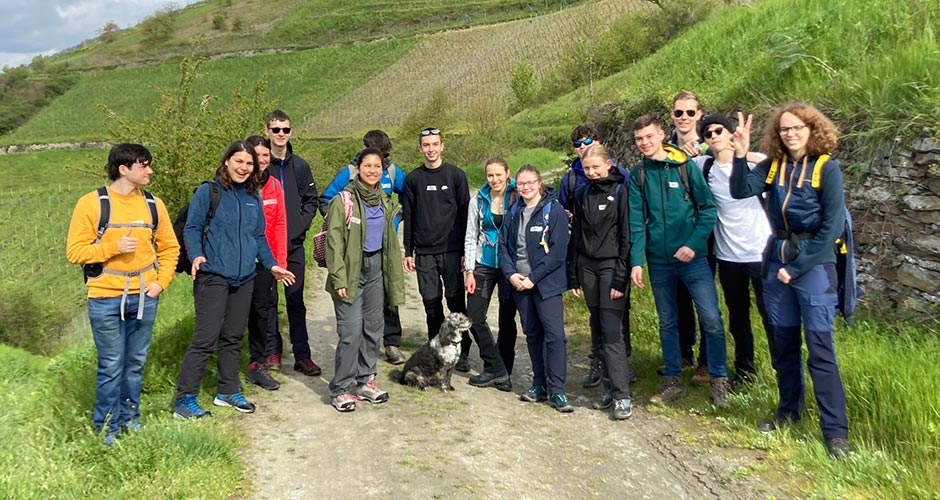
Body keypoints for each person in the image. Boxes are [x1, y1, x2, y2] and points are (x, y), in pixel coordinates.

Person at [730, 105, 851, 458]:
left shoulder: (827, 169)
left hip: (813, 265)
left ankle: (835, 433)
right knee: (783, 346)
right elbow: (742, 191)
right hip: (777, 259)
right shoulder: (773, 165)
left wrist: (797, 269)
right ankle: (787, 413)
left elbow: (833, 229)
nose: (790, 134)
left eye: (797, 128)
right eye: (784, 130)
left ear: (812, 129)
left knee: (820, 350)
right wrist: (740, 155)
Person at [66, 143, 180, 446]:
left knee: (135, 364)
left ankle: (131, 421)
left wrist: (161, 283)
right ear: (123, 168)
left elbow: (170, 247)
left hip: (144, 297)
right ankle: (107, 430)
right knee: (111, 366)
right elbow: (75, 252)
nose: (150, 170)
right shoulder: (92, 204)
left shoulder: (154, 204)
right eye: (144, 165)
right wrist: (113, 247)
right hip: (105, 298)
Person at [174, 141, 295, 420]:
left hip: (245, 277)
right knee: (206, 338)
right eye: (238, 161)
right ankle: (184, 399)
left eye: (249, 163)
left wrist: (273, 265)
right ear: (226, 161)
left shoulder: (252, 196)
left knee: (232, 337)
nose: (243, 167)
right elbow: (192, 228)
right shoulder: (209, 191)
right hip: (213, 275)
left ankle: (227, 391)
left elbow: (258, 237)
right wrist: (195, 256)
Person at [628, 114, 730, 408]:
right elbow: (637, 221)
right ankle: (672, 379)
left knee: (711, 317)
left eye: (649, 136)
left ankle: (719, 379)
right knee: (668, 322)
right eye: (639, 139)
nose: (644, 143)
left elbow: (708, 210)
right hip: (659, 262)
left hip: (693, 259)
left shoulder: (684, 167)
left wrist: (693, 244)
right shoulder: (639, 175)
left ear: (661, 135)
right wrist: (637, 261)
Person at [693, 115, 775, 389]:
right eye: (707, 134)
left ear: (731, 133)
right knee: (738, 318)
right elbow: (676, 162)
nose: (713, 135)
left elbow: (773, 164)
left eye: (719, 130)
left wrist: (742, 150)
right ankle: (745, 372)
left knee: (772, 315)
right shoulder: (704, 166)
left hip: (761, 252)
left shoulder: (756, 162)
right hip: (728, 256)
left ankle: (783, 372)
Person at [325, 148, 405, 412]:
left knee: (373, 327)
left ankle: (366, 380)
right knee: (350, 332)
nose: (372, 170)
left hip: (376, 269)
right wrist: (338, 278)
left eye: (377, 167)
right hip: (349, 271)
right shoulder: (344, 200)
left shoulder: (384, 199)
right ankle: (340, 389)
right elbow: (333, 243)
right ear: (358, 168)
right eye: (367, 166)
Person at [557, 124, 634, 389]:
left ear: (608, 164)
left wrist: (623, 273)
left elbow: (627, 234)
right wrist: (573, 274)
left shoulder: (623, 185)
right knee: (596, 317)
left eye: (596, 168)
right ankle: (601, 367)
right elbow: (574, 230)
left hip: (613, 264)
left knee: (615, 320)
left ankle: (621, 373)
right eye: (587, 168)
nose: (591, 172)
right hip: (587, 263)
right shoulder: (576, 188)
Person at [498, 166, 572, 413]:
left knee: (555, 337)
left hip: (546, 285)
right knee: (533, 335)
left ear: (539, 183)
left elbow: (558, 253)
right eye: (521, 184)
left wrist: (534, 278)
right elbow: (504, 249)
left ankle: (558, 390)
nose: (525, 188)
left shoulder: (555, 211)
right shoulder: (513, 212)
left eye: (530, 183)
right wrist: (510, 275)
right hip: (519, 284)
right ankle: (539, 384)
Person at [401, 128, 471, 366]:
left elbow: (465, 217)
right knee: (431, 304)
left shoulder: (456, 176)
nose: (431, 149)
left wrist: (465, 253)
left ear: (442, 146)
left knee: (455, 303)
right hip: (425, 252)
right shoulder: (413, 179)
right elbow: (408, 217)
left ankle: (462, 351)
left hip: (451, 251)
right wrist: (407, 251)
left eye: (435, 144)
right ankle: (437, 349)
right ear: (420, 148)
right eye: (426, 145)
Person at [264, 110, 321, 376]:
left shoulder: (300, 165)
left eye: (285, 129)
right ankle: (272, 351)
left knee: (295, 301)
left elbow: (312, 199)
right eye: (276, 130)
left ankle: (303, 355)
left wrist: (300, 224)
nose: (281, 134)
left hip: (295, 246)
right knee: (268, 302)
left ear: (291, 132)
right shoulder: (260, 165)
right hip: (266, 248)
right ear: (267, 132)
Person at [463, 157, 518, 392]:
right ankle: (495, 367)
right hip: (483, 263)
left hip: (510, 266)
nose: (494, 180)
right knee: (474, 316)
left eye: (498, 175)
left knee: (507, 320)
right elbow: (470, 235)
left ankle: (504, 370)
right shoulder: (478, 200)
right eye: (489, 175)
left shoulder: (518, 195)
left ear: (507, 173)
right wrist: (469, 271)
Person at [667, 91, 710, 384]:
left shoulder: (711, 146)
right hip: (673, 235)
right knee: (679, 298)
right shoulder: (665, 149)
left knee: (705, 302)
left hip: (705, 237)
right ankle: (684, 354)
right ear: (672, 116)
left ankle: (708, 364)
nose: (684, 118)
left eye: (690, 113)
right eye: (679, 113)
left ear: (700, 115)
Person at [243, 135, 287, 391]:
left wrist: (279, 262)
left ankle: (259, 364)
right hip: (239, 261)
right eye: (257, 155)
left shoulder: (274, 186)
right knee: (237, 316)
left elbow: (280, 224)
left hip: (266, 262)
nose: (261, 160)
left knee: (263, 314)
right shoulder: (236, 185)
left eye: (265, 155)